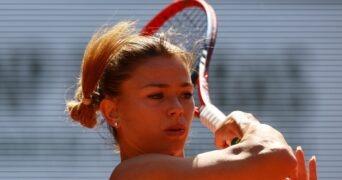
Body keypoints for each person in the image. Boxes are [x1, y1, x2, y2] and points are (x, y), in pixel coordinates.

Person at [66, 21, 317, 180]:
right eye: (156, 95)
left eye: (186, 94)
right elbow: (276, 155)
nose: (177, 109)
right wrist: (247, 122)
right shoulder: (133, 174)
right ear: (112, 111)